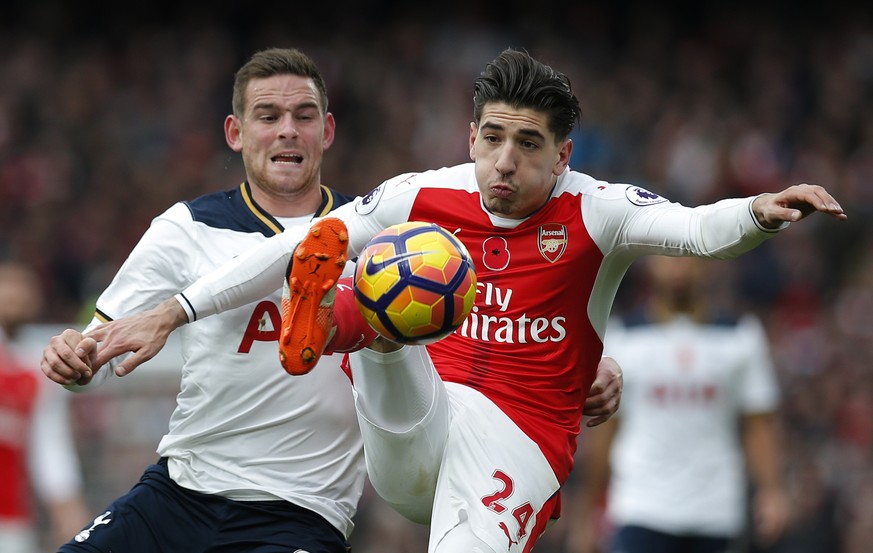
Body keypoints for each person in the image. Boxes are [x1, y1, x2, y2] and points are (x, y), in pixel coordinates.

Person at [42, 47, 845, 552]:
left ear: (562, 154)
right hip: (420, 417)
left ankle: (345, 320)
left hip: (517, 440)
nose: (503, 162)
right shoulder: (419, 196)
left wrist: (759, 212)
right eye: (491, 137)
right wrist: (176, 309)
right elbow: (293, 247)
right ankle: (351, 322)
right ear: (468, 136)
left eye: (527, 145)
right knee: (396, 273)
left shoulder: (597, 207)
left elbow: (697, 231)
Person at [568, 255, 791, 553]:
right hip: (641, 506)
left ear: (708, 265)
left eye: (689, 258)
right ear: (650, 264)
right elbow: (605, 429)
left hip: (716, 509)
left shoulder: (740, 335)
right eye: (668, 257)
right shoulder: (623, 337)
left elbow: (758, 423)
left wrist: (771, 491)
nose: (679, 267)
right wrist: (587, 512)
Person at [0, 260, 90, 553]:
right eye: (9, 285)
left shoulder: (37, 371)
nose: (18, 295)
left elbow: (50, 450)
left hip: (11, 521)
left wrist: (67, 510)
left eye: (26, 287)